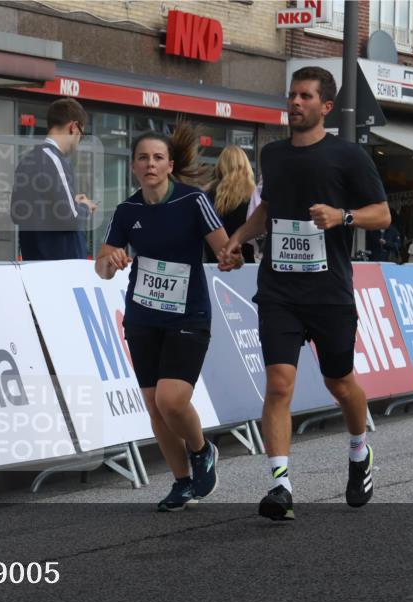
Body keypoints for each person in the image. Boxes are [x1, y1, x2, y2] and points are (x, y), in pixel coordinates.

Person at [220, 66, 391, 521]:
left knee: (340, 383)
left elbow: (383, 215)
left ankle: (359, 452)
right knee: (279, 383)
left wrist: (343, 217)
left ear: (325, 107)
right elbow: (270, 209)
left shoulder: (347, 155)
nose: (295, 103)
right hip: (278, 288)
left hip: (329, 290)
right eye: (292, 95)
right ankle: (280, 486)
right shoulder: (273, 154)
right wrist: (239, 238)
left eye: (305, 97)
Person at [95, 125, 242, 512]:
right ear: (133, 167)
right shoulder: (128, 210)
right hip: (143, 315)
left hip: (189, 314)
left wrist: (231, 258)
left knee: (172, 399)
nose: (150, 164)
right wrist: (110, 262)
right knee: (154, 406)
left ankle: (202, 449)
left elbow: (224, 249)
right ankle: (180, 483)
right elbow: (102, 268)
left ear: (170, 165)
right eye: (143, 158)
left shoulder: (193, 201)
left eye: (158, 158)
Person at [11, 98, 98, 260]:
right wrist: (85, 207)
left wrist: (70, 201)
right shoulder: (55, 160)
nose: (79, 141)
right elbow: (72, 219)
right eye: (82, 134)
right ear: (73, 127)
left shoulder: (27, 160)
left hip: (35, 261)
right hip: (62, 264)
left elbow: (18, 214)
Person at [204, 145, 255, 263]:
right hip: (246, 265)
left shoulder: (207, 195)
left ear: (221, 166)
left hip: (213, 264)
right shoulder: (252, 196)